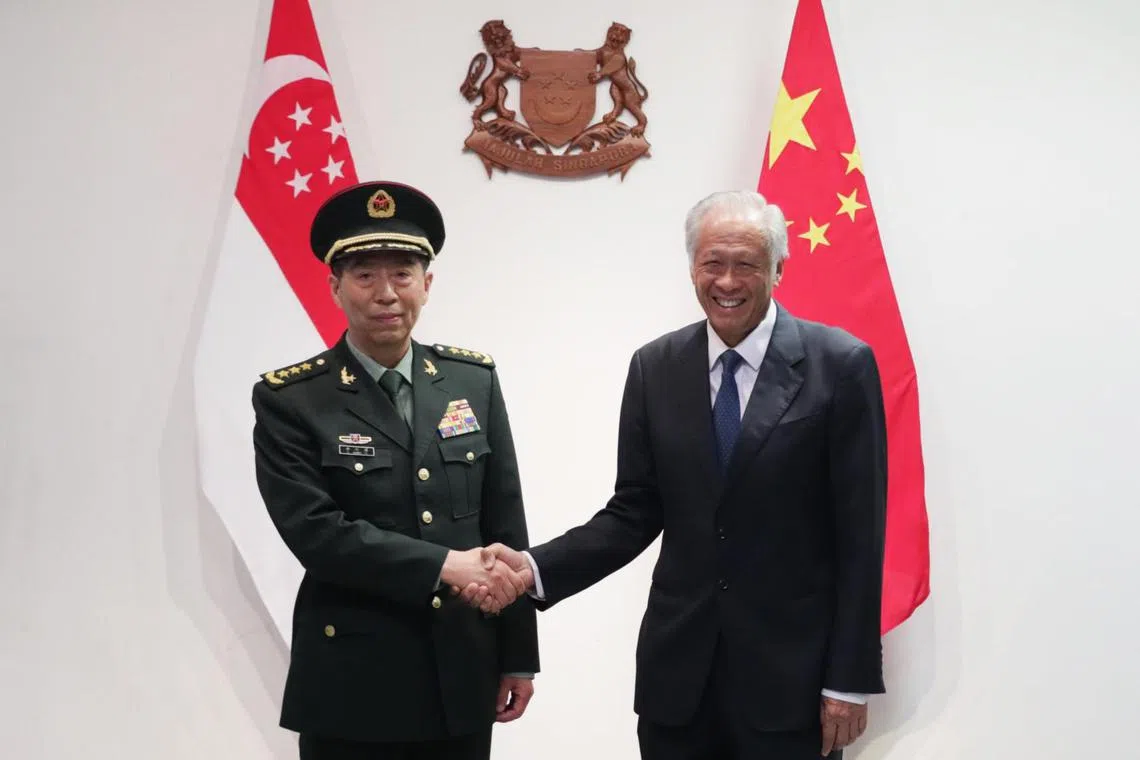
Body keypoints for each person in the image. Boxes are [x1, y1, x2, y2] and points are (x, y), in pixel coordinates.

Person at [459, 190, 887, 759]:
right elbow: (634, 510)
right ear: (692, 267)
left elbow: (862, 536)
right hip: (678, 682)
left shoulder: (841, 365)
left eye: (746, 264)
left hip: (794, 684)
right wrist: (534, 567)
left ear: (779, 269)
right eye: (713, 262)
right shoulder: (654, 367)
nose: (727, 281)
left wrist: (848, 679)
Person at [251, 180, 539, 760]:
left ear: (426, 286)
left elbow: (505, 524)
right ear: (335, 288)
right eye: (364, 275)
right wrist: (446, 565)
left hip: (461, 672)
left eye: (403, 274)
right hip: (354, 679)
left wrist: (517, 655)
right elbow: (318, 535)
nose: (386, 293)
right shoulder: (290, 399)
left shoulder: (471, 382)